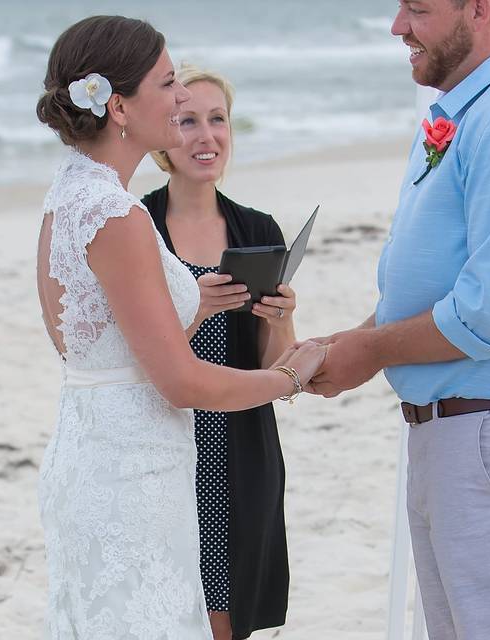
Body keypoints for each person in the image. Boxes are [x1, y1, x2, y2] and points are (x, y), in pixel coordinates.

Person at [305, 1, 490, 639]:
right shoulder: (467, 110)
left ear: (478, 7)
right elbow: (444, 280)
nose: (398, 26)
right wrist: (355, 341)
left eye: (417, 7)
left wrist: (372, 352)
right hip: (461, 437)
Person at [33, 16, 326, 640]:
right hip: (134, 472)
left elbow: (87, 344)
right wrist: (290, 378)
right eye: (168, 84)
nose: (179, 98)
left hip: (97, 450)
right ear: (118, 106)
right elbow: (180, 382)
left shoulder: (69, 194)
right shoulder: (118, 214)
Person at [142, 65, 295, 640]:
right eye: (187, 121)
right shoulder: (141, 229)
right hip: (163, 439)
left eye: (218, 120)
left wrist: (280, 321)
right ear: (164, 135)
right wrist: (196, 308)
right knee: (167, 606)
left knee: (230, 614)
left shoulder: (257, 229)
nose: (206, 137)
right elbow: (130, 358)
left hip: (240, 440)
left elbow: (276, 363)